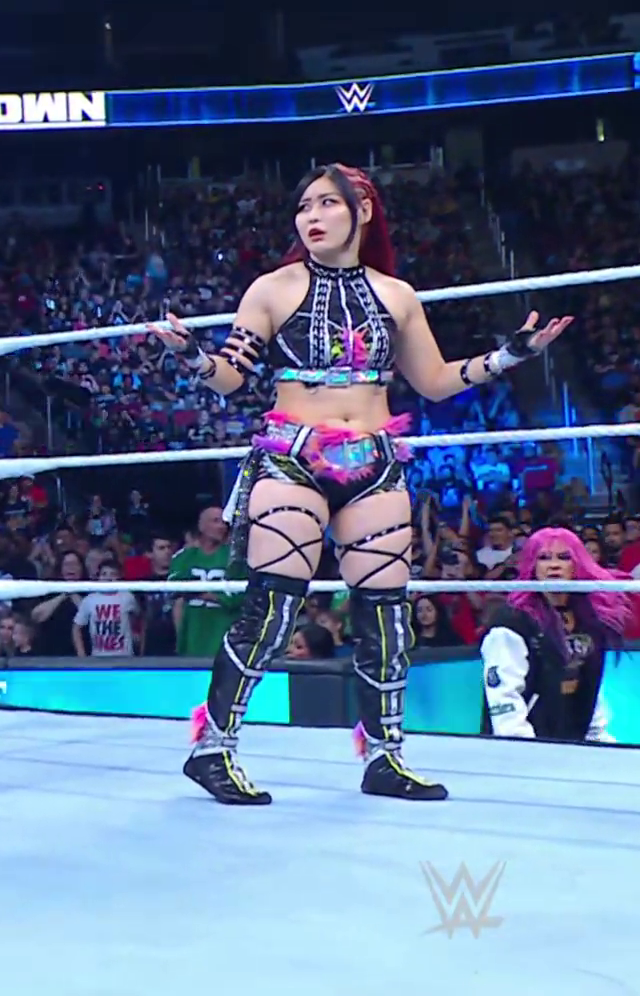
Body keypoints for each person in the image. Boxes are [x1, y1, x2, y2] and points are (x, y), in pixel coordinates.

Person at [147, 163, 571, 805]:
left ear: (363, 210)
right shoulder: (272, 288)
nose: (311, 217)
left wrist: (510, 355)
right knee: (272, 607)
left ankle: (384, 756)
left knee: (387, 615)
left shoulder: (397, 295)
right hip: (293, 455)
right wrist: (190, 355)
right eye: (303, 206)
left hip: (374, 458)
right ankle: (213, 747)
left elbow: (434, 381)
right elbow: (232, 376)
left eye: (327, 203)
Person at [480, 528, 628, 742]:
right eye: (544, 558)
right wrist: (526, 749)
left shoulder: (588, 620)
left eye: (564, 557)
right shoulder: (512, 623)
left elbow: (591, 686)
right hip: (524, 744)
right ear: (532, 565)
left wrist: (599, 742)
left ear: (577, 564)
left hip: (570, 739)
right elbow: (505, 700)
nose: (554, 565)